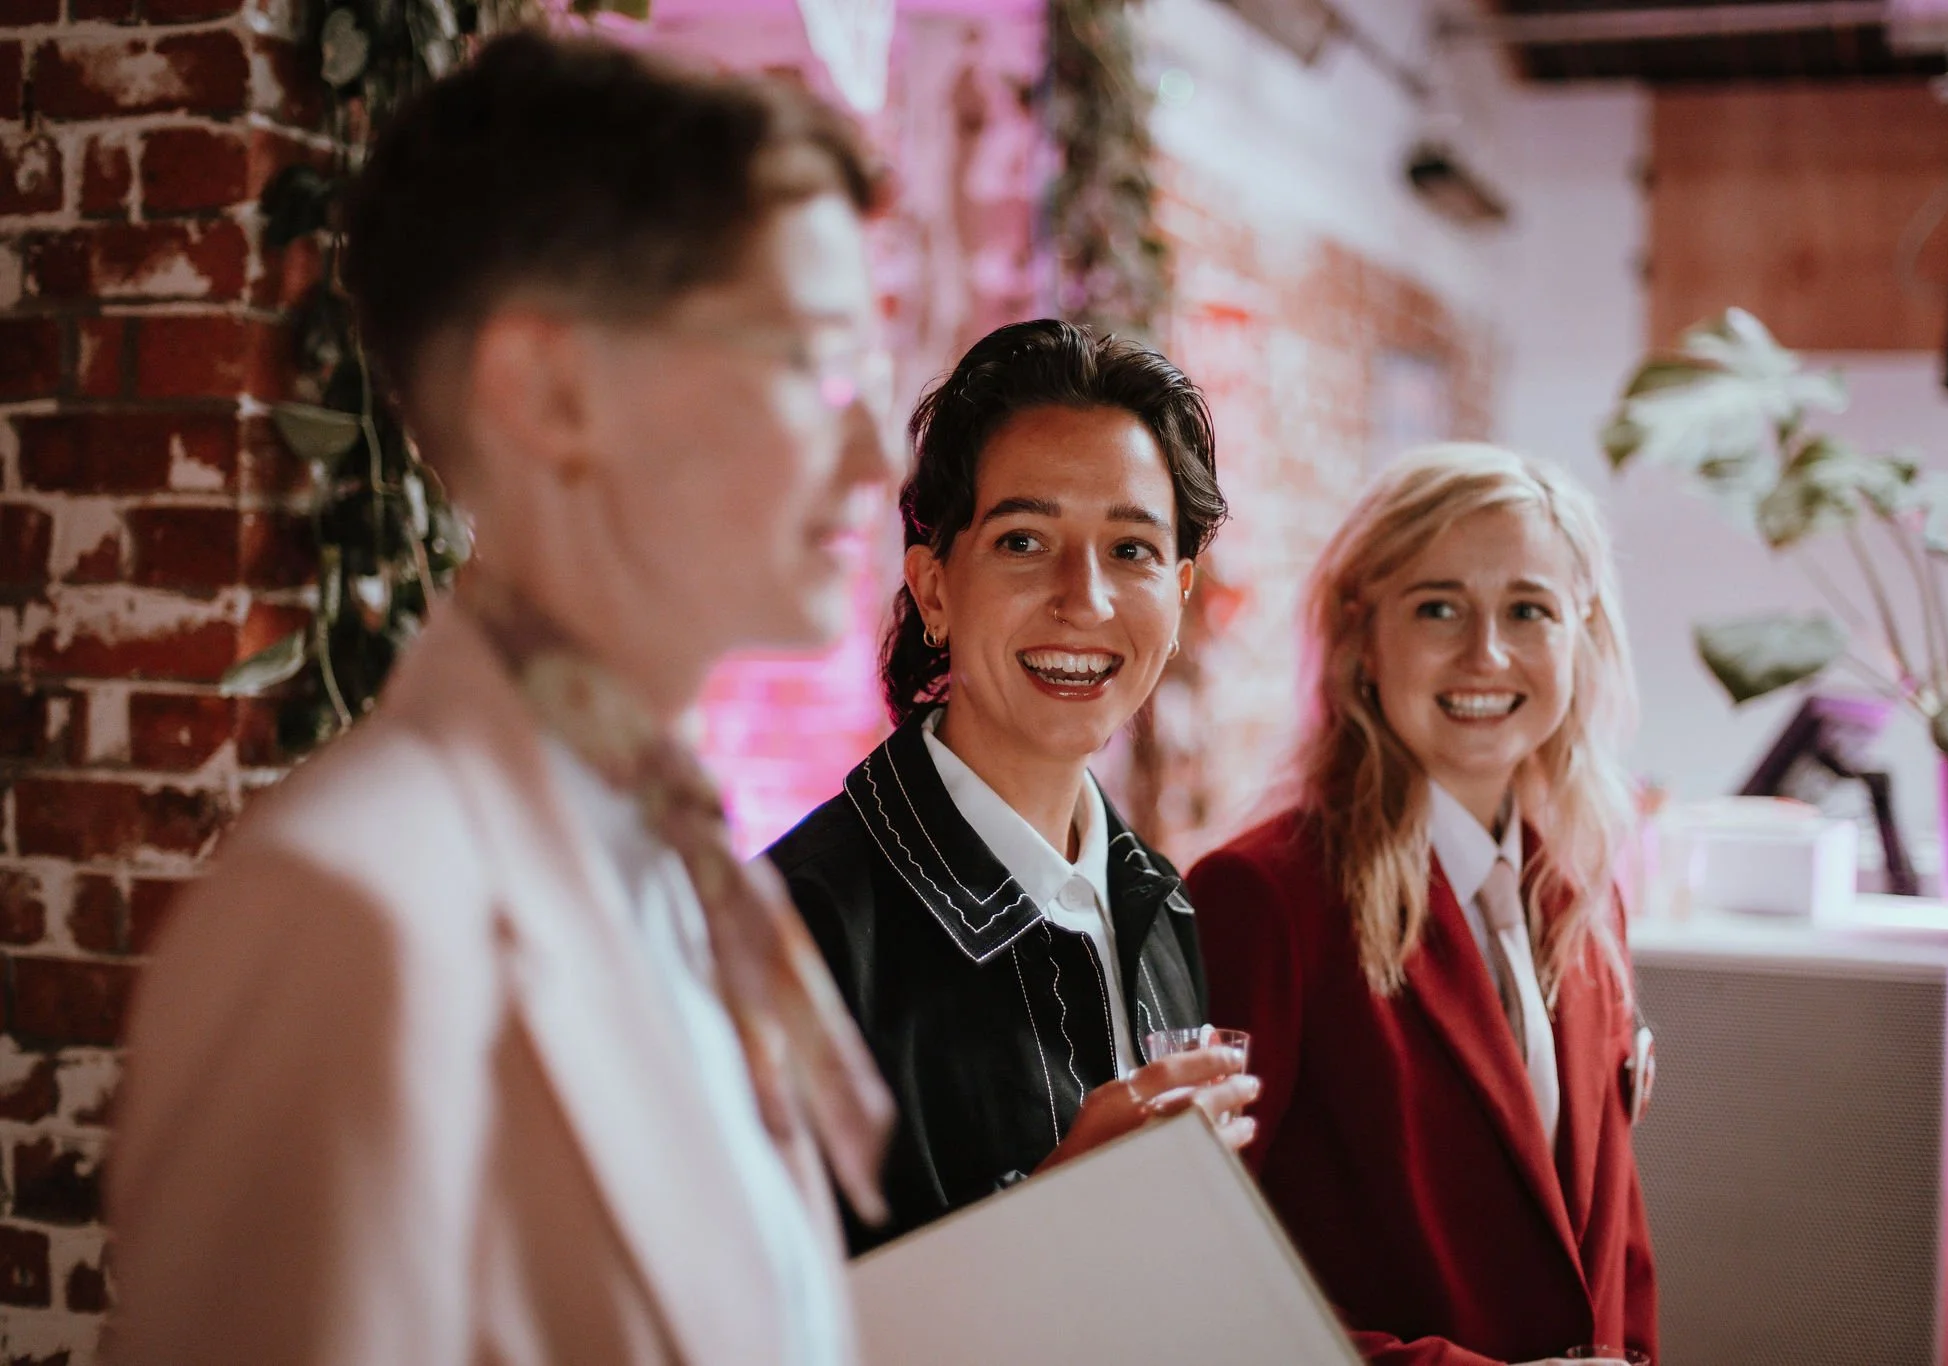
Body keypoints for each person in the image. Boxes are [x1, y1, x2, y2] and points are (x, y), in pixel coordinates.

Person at [107, 33, 899, 1366]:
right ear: (554, 388)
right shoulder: (349, 912)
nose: (877, 446)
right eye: (811, 359)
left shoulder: (688, 869)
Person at [765, 319, 1258, 1253]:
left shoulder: (1161, 908)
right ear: (936, 588)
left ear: (1182, 592)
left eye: (1132, 550)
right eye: (1025, 541)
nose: (1086, 599)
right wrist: (1051, 1213)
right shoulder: (792, 934)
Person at [1187, 444, 1657, 1366]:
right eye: (1438, 607)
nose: (1486, 654)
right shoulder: (1262, 898)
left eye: (1529, 610)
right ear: (1364, 637)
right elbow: (1204, 1284)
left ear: (1582, 636)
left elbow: (1615, 1252)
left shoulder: (1583, 897)